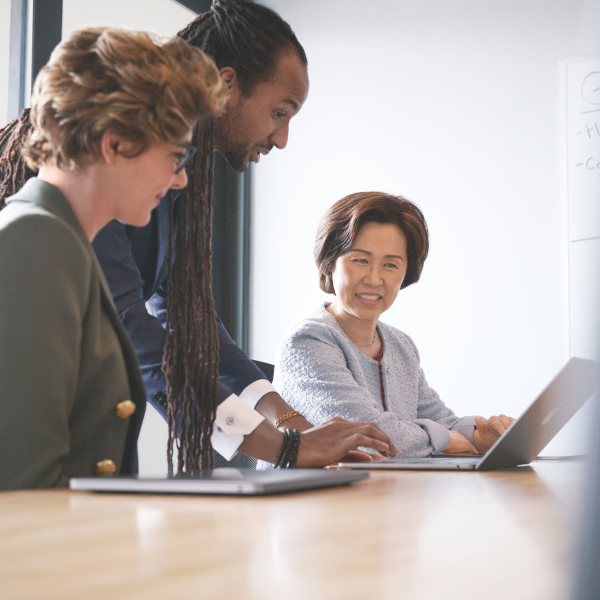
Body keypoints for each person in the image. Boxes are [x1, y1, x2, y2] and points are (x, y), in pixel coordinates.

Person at [0, 2, 398, 470]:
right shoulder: (47, 229)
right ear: (114, 145)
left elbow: (189, 318)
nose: (183, 177)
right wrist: (282, 446)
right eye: (279, 112)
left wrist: (282, 418)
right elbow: (131, 330)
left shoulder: (147, 190)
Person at [0, 26, 228, 490]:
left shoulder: (61, 241)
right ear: (116, 142)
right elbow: (23, 487)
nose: (180, 180)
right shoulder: (35, 243)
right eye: (176, 156)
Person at [273, 191, 515, 457]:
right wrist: (442, 439)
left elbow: (438, 419)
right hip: (313, 495)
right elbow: (365, 435)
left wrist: (482, 435)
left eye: (390, 265)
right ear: (330, 262)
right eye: (360, 260)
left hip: (382, 491)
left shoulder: (400, 345)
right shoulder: (307, 340)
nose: (375, 279)